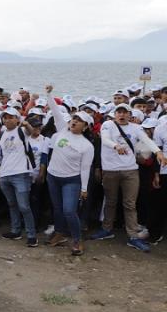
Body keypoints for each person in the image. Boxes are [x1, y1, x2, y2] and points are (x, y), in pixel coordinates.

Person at [91, 103, 165, 252]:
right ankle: (107, 229)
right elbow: (105, 139)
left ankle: (133, 236)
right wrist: (115, 146)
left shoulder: (135, 128)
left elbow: (146, 140)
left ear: (130, 115)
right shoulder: (107, 124)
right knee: (110, 202)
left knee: (130, 204)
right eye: (119, 112)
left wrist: (158, 152)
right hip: (110, 170)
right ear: (115, 113)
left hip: (130, 170)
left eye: (125, 112)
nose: (122, 115)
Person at [44, 86, 95, 256]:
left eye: (79, 120)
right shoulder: (62, 130)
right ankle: (59, 233)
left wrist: (84, 189)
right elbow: (55, 109)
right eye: (74, 118)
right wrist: (49, 93)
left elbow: (85, 168)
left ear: (86, 127)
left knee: (69, 210)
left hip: (71, 180)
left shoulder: (87, 146)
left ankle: (77, 238)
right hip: (53, 176)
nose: (74, 121)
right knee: (57, 208)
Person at [0, 102, 39, 247]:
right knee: (12, 204)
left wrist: (25, 123)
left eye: (10, 117)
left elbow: (32, 131)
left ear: (16, 119)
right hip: (5, 174)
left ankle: (32, 235)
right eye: (5, 117)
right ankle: (15, 231)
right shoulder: (1, 134)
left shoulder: (22, 131)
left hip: (21, 174)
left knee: (24, 206)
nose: (7, 120)